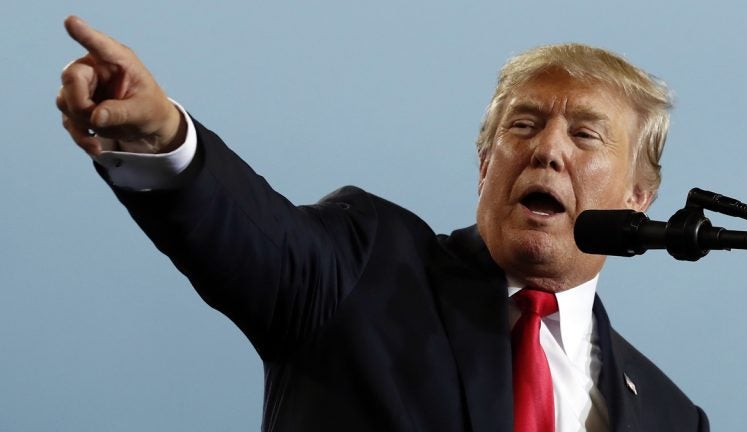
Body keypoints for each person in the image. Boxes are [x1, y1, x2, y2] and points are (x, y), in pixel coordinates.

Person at [57, 15, 709, 432]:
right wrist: (162, 139)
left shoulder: (674, 417)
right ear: (486, 164)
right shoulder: (367, 266)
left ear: (638, 196)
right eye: (524, 124)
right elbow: (249, 233)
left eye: (586, 134)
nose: (547, 150)